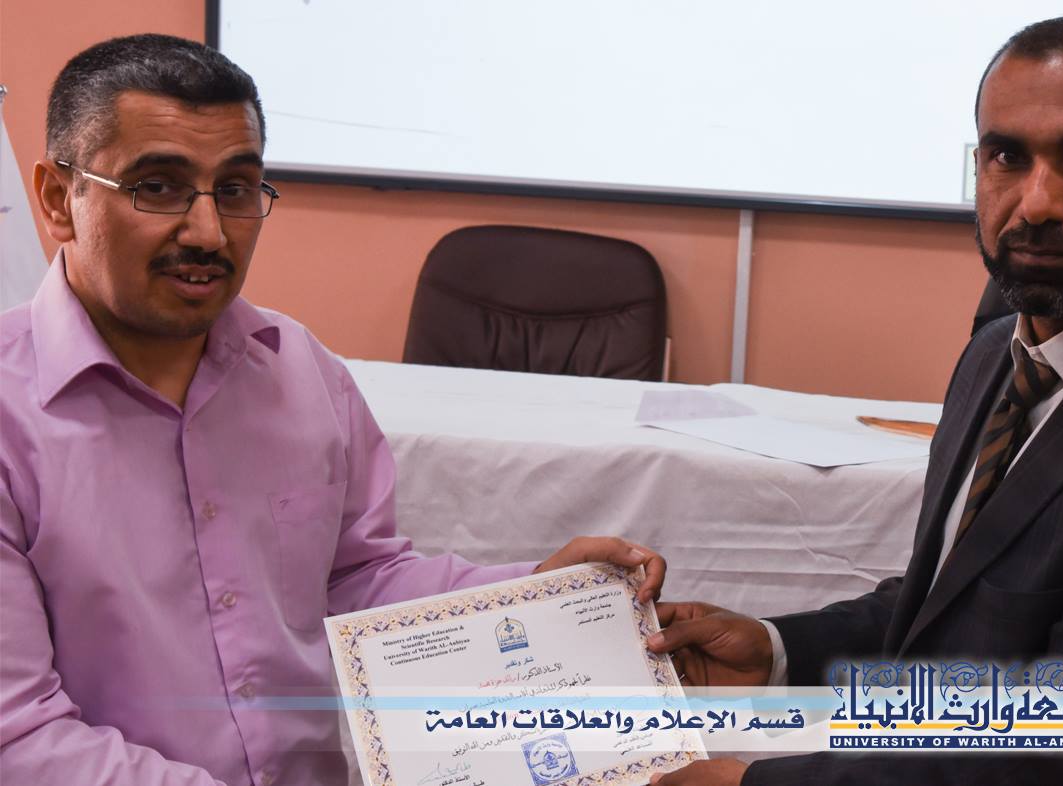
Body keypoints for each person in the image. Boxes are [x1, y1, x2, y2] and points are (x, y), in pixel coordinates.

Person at [0, 34, 666, 785]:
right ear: (58, 199)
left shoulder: (299, 371)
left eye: (236, 189)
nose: (209, 233)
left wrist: (536, 592)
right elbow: (17, 736)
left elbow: (357, 582)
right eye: (157, 187)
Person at [645, 16, 1063, 786]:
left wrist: (748, 783)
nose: (1037, 203)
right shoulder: (997, 353)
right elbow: (958, 613)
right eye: (1007, 156)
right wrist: (778, 652)